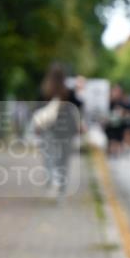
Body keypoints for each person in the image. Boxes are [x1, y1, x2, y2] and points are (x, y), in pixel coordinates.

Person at [33, 64, 81, 200]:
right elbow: (78, 107)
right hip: (67, 130)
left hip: (49, 129)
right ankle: (61, 190)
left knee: (49, 156)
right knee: (64, 160)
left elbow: (37, 111)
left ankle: (50, 179)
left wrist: (37, 127)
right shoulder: (68, 92)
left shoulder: (44, 92)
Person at [104, 84, 129, 157]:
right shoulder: (106, 102)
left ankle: (117, 153)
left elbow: (128, 114)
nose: (116, 93)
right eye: (114, 91)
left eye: (118, 91)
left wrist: (123, 113)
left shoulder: (124, 103)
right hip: (109, 127)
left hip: (120, 127)